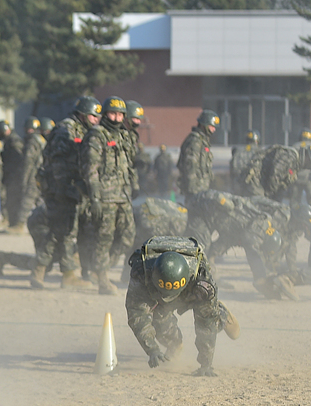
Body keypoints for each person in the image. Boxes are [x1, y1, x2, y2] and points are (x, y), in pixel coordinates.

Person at [125, 236, 240, 377]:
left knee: (211, 318)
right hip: (156, 294)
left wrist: (206, 364)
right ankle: (175, 345)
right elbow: (137, 315)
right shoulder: (141, 273)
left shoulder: (201, 281)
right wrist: (152, 349)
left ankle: (222, 314)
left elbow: (206, 323)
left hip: (189, 291)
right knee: (159, 323)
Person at [29, 96, 100, 290]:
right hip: (61, 190)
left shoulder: (81, 130)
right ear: (83, 114)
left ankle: (40, 271)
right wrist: (65, 190)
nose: (96, 120)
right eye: (93, 116)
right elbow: (58, 164)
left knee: (59, 231)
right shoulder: (65, 130)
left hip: (69, 189)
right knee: (64, 231)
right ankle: (66, 275)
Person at [81, 96, 136, 295]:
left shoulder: (123, 135)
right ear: (104, 114)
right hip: (105, 197)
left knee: (128, 235)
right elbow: (91, 169)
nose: (116, 117)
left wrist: (133, 185)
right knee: (103, 238)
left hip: (123, 195)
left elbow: (128, 164)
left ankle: (99, 267)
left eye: (120, 114)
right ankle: (102, 279)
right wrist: (94, 198)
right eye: (112, 113)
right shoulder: (97, 135)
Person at [177, 110, 219, 249]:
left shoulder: (203, 142)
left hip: (202, 192)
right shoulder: (195, 142)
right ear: (203, 125)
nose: (213, 130)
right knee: (196, 226)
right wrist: (194, 193)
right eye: (211, 126)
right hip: (195, 193)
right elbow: (190, 168)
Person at [0, 120, 25, 232]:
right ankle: (12, 223)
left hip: (15, 176)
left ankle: (16, 225)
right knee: (10, 201)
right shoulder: (9, 141)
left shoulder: (14, 141)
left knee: (14, 200)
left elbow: (19, 159)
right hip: (10, 176)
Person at [18, 116, 46, 226]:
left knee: (28, 199)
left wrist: (24, 179)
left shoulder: (32, 141)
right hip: (42, 174)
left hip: (33, 175)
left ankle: (20, 224)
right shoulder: (41, 139)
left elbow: (28, 162)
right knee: (39, 199)